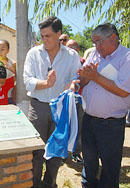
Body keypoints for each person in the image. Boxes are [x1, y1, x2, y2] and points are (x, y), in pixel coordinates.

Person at [23, 16, 81, 188]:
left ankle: (49, 184)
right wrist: (46, 84)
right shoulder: (34, 53)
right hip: (38, 107)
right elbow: (27, 81)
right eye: (42, 36)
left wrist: (71, 86)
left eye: (48, 36)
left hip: (61, 108)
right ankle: (34, 184)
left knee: (55, 153)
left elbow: (75, 79)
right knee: (36, 152)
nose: (44, 40)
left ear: (59, 34)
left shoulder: (71, 55)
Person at [74, 23, 130, 188]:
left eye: (99, 41)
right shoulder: (94, 55)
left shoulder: (126, 57)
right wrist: (81, 79)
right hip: (89, 119)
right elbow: (84, 78)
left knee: (109, 169)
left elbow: (123, 91)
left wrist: (95, 76)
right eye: (94, 42)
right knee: (89, 164)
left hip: (111, 124)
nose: (96, 47)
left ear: (113, 38)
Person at [66, 39, 85, 164]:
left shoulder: (84, 62)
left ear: (78, 49)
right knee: (64, 126)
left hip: (79, 98)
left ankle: (76, 152)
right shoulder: (61, 61)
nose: (72, 49)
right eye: (69, 46)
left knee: (78, 126)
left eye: (74, 46)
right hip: (65, 99)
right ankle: (63, 154)